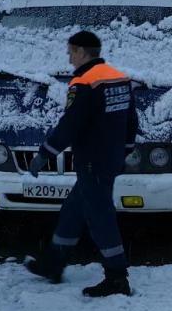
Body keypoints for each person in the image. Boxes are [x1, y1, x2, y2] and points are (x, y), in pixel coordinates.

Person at [25, 31, 138, 297]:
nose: (69, 57)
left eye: (71, 52)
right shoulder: (118, 77)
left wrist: (45, 154)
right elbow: (132, 120)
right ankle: (54, 262)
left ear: (81, 52)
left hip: (92, 162)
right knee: (74, 209)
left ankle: (117, 277)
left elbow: (70, 126)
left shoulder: (85, 82)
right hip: (109, 159)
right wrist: (125, 151)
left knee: (100, 217)